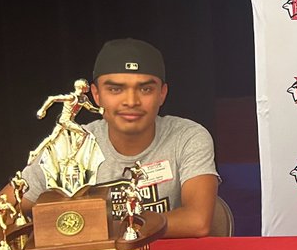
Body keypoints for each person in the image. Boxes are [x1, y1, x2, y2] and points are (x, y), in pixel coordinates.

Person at [13, 38, 219, 237]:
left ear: (162, 94)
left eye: (145, 89)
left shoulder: (187, 136)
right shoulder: (69, 144)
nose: (131, 101)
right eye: (115, 89)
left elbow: (197, 221)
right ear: (96, 95)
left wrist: (86, 231)